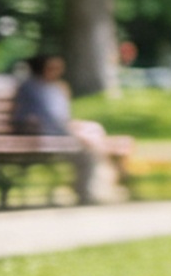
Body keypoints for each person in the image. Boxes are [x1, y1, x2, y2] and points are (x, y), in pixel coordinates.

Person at [10, 53, 127, 203]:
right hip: (42, 133)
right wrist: (70, 130)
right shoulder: (31, 87)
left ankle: (100, 186)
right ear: (41, 69)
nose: (58, 71)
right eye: (52, 68)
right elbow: (47, 117)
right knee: (90, 148)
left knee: (96, 133)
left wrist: (71, 127)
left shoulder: (56, 87)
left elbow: (61, 117)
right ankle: (92, 190)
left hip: (56, 130)